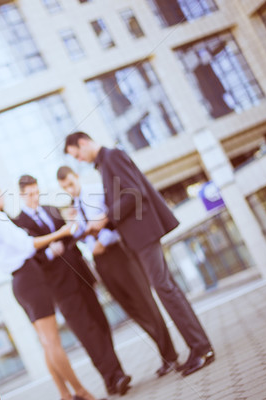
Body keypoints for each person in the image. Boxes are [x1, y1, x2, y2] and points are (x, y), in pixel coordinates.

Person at [64, 131, 215, 377]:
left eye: (77, 154)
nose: (79, 159)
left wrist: (105, 218)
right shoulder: (104, 163)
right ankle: (200, 347)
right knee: (169, 288)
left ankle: (201, 348)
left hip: (143, 233)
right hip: (139, 235)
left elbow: (134, 193)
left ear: (83, 143)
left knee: (165, 290)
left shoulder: (111, 157)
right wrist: (104, 223)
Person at [0, 182, 102, 400]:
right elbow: (28, 245)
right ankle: (81, 392)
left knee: (46, 342)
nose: (1, 194)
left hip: (20, 282)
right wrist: (60, 233)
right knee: (53, 341)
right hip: (30, 278)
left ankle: (65, 394)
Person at [13, 175, 131, 396]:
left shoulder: (52, 210)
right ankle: (115, 376)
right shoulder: (18, 223)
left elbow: (71, 237)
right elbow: (26, 254)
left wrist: (75, 225)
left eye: (36, 192)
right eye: (29, 195)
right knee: (87, 331)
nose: (34, 198)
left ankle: (114, 377)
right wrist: (48, 253)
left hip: (80, 275)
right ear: (21, 195)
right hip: (59, 286)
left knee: (101, 323)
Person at [56, 166, 179, 377]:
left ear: (77, 177)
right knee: (131, 309)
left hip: (119, 254)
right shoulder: (75, 207)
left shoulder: (97, 190)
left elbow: (115, 219)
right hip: (101, 262)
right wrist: (76, 226)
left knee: (144, 302)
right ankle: (164, 352)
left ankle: (170, 355)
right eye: (64, 188)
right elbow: (84, 235)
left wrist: (102, 241)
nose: (69, 189)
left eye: (70, 184)